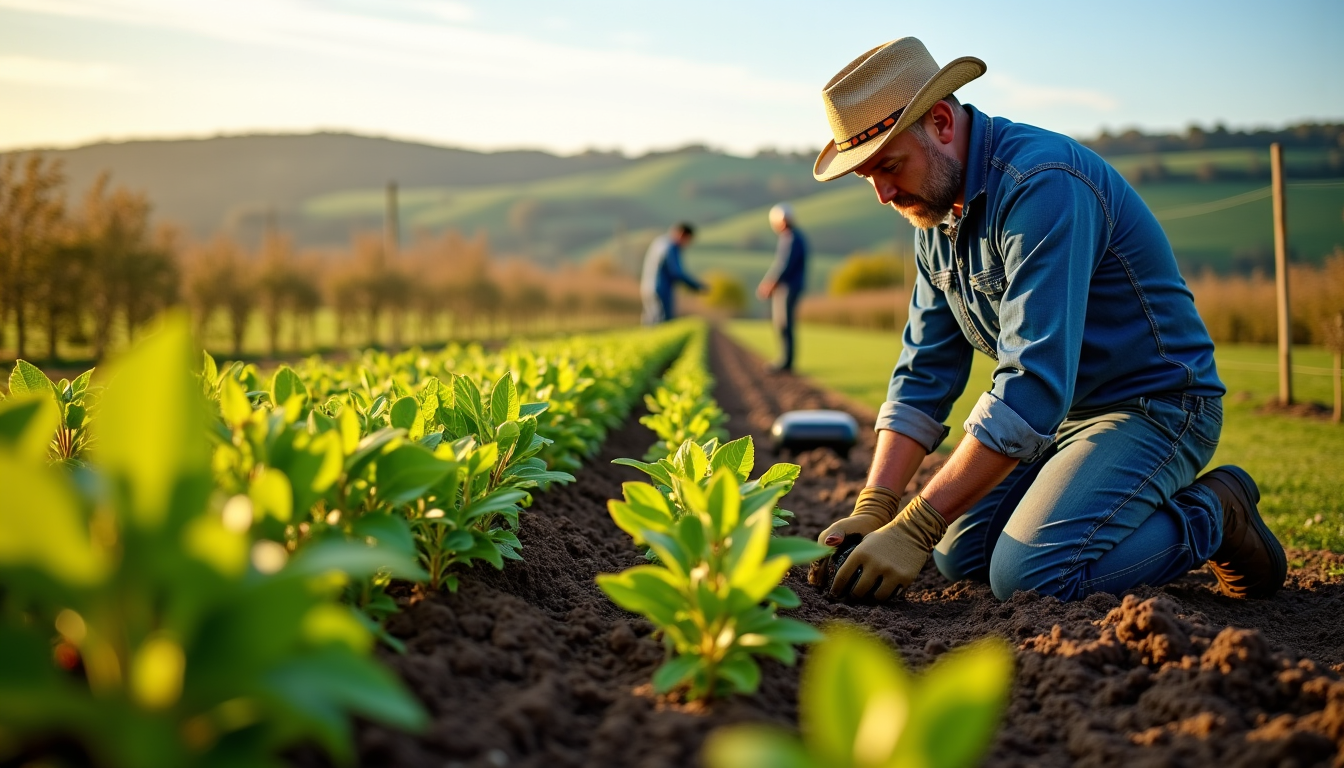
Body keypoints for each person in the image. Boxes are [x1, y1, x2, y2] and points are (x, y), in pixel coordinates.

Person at [808, 37, 1286, 603]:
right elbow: (924, 372)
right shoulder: (934, 216)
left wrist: (914, 525)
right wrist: (877, 506)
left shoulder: (1043, 185)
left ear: (940, 121)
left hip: (1155, 406)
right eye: (867, 178)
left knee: (1030, 576)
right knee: (958, 553)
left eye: (889, 166)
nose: (884, 194)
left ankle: (1214, 513)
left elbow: (1032, 383)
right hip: (1063, 421)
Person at [757, 203, 809, 371]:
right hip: (789, 286)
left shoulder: (791, 238)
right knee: (783, 324)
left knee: (784, 324)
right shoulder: (793, 237)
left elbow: (784, 265)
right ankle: (785, 360)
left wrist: (770, 283)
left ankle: (786, 361)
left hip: (789, 287)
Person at [641, 222, 704, 324]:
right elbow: (676, 272)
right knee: (663, 321)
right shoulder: (671, 247)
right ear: (682, 235)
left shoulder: (660, 242)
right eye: (687, 240)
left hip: (648, 287)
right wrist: (695, 285)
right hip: (662, 289)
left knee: (651, 319)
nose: (686, 245)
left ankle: (647, 339)